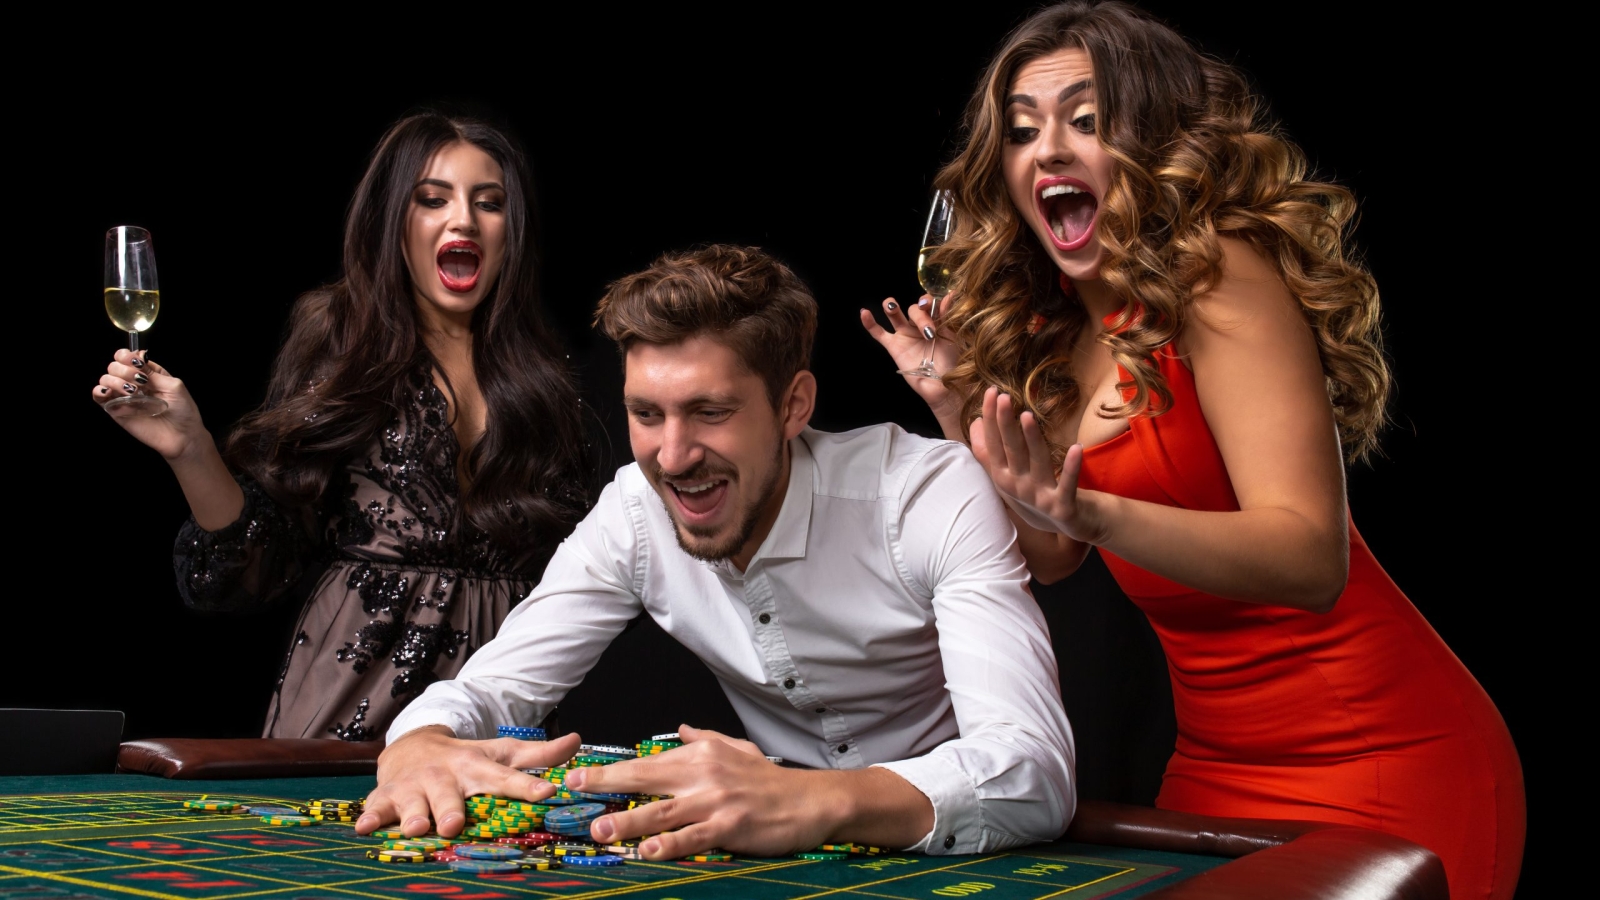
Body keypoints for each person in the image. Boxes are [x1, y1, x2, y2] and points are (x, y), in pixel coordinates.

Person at [861, 3, 1523, 898]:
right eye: (1022, 130)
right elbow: (1055, 553)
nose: (1048, 149)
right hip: (1216, 767)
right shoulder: (1051, 330)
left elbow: (1309, 555)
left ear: (1153, 141)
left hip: (1386, 755)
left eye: (1086, 121)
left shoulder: (1218, 274)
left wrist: (1093, 509)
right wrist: (955, 406)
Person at [361, 244, 1075, 859]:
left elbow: (1032, 774)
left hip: (958, 851)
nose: (673, 456)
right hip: (764, 841)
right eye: (646, 415)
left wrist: (810, 799)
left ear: (794, 406)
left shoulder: (925, 495)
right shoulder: (635, 513)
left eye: (710, 412)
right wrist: (419, 740)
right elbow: (490, 689)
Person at [92, 112, 592, 742]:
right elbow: (256, 567)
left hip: (495, 725)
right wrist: (190, 448)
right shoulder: (342, 339)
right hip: (349, 717)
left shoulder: (545, 376)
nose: (463, 219)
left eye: (488, 204)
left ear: (509, 231)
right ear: (393, 221)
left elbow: (585, 581)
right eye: (433, 199)